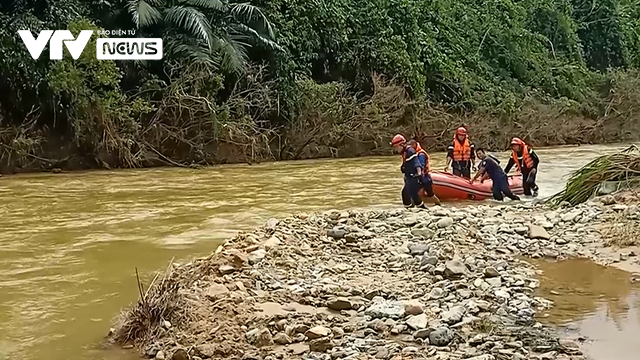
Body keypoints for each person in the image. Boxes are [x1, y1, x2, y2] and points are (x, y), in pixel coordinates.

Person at [391, 134, 427, 209]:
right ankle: (417, 208)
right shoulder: (405, 152)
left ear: (401, 144)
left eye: (397, 147)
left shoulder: (410, 151)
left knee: (407, 193)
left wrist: (419, 173)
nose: (396, 149)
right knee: (411, 193)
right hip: (410, 176)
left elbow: (416, 162)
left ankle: (413, 208)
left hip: (414, 175)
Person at [407, 140, 441, 205]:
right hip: (423, 178)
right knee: (413, 192)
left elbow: (421, 165)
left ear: (414, 145)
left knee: (430, 194)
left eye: (411, 146)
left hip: (424, 178)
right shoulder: (415, 154)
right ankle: (414, 205)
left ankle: (438, 204)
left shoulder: (421, 154)